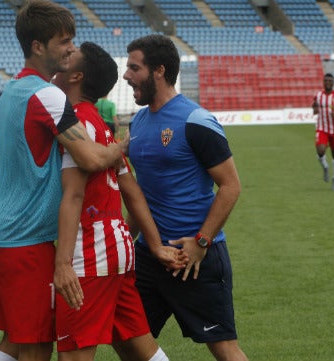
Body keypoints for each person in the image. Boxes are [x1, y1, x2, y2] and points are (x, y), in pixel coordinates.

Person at [0, 2, 122, 361]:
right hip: (25, 239)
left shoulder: (14, 89)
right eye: (64, 41)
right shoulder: (47, 95)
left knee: (16, 340)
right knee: (37, 347)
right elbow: (90, 158)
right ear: (38, 46)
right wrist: (119, 146)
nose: (72, 49)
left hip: (4, 234)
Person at [52, 41, 185, 361]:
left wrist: (63, 263)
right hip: (118, 247)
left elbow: (74, 194)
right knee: (138, 348)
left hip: (90, 251)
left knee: (74, 353)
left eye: (70, 59)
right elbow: (132, 191)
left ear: (76, 77)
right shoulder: (100, 126)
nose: (62, 61)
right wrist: (153, 246)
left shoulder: (79, 125)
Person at [121, 34, 248, 361]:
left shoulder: (196, 120)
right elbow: (142, 196)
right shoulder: (138, 122)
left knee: (222, 347)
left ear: (159, 71)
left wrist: (201, 242)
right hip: (149, 257)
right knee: (127, 338)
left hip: (195, 258)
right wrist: (125, 243)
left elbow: (231, 185)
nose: (126, 75)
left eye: (134, 68)